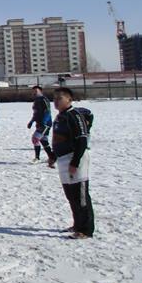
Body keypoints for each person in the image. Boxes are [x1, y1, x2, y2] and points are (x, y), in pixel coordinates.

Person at [48, 88, 94, 239]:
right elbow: (58, 140)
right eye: (54, 99)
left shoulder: (74, 115)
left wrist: (75, 162)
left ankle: (86, 229)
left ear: (68, 100)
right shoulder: (60, 117)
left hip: (75, 158)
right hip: (62, 159)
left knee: (80, 195)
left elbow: (82, 139)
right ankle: (77, 224)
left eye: (59, 99)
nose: (56, 102)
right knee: (70, 194)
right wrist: (53, 156)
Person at [27, 85, 53, 162]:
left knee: (35, 139)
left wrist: (44, 122)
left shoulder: (44, 99)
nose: (35, 92)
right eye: (33, 91)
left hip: (45, 123)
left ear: (40, 91)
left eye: (36, 91)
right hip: (39, 123)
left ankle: (37, 158)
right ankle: (52, 157)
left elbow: (48, 111)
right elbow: (36, 113)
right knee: (43, 140)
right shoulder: (36, 101)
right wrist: (31, 121)